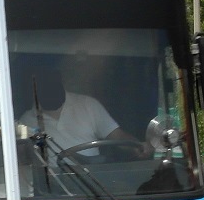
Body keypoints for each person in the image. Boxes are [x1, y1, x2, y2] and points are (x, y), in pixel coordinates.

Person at [16, 67, 147, 158]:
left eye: (52, 85)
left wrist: (138, 147)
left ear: (61, 83)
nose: (49, 90)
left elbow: (117, 136)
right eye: (44, 87)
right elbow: (22, 158)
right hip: (55, 189)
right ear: (34, 90)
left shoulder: (88, 105)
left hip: (94, 183)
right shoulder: (26, 122)